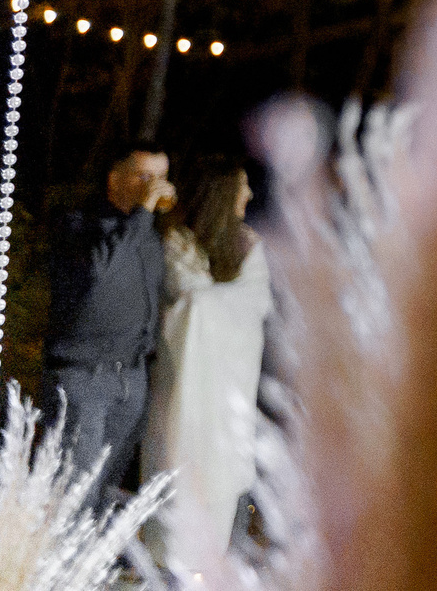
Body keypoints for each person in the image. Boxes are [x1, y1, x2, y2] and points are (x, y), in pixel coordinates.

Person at [143, 163, 273, 571]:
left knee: (218, 482)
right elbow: (186, 299)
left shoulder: (250, 246)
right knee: (174, 471)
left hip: (228, 394)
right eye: (242, 187)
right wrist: (210, 303)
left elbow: (252, 304)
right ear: (221, 193)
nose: (249, 196)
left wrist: (206, 302)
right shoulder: (177, 242)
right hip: (180, 388)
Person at [46, 148, 171, 504]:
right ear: (114, 180)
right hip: (84, 377)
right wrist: (143, 213)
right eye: (144, 176)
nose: (154, 186)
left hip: (131, 379)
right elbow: (100, 271)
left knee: (105, 492)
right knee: (74, 494)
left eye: (161, 177)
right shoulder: (77, 225)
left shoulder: (149, 235)